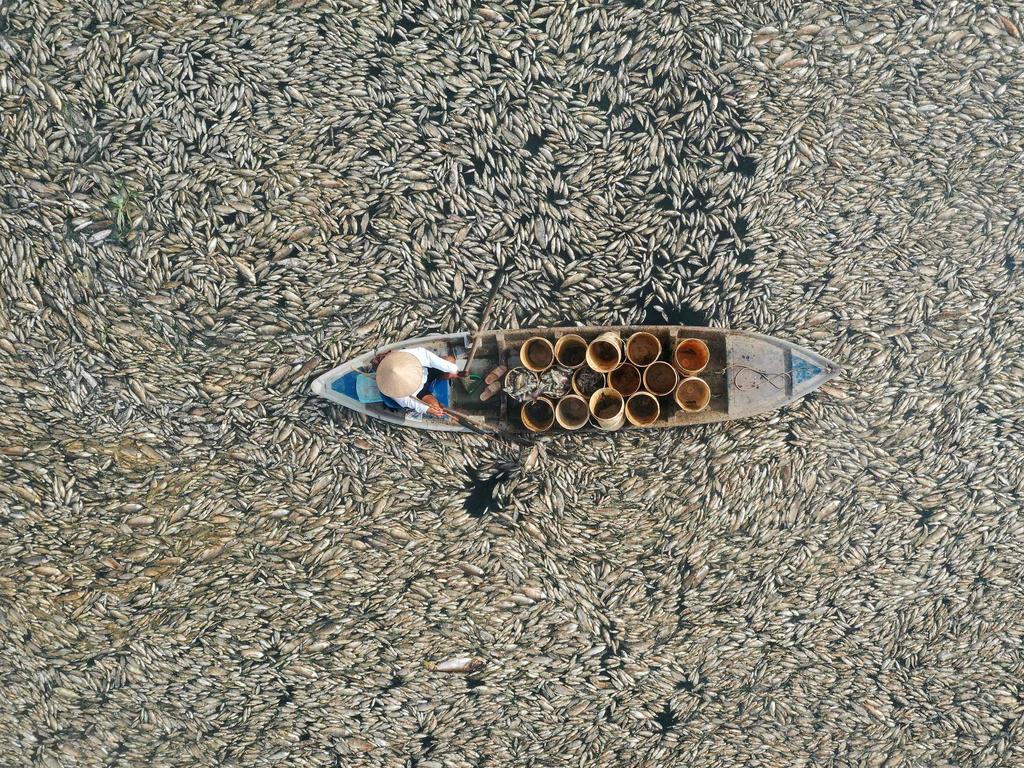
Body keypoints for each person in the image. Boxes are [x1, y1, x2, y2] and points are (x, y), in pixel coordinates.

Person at [374, 347, 461, 417]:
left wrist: (453, 369)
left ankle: (440, 377)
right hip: (419, 391)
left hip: (425, 371)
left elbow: (428, 357)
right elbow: (410, 402)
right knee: (435, 406)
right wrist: (428, 409)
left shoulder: (402, 355)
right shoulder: (394, 391)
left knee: (450, 360)